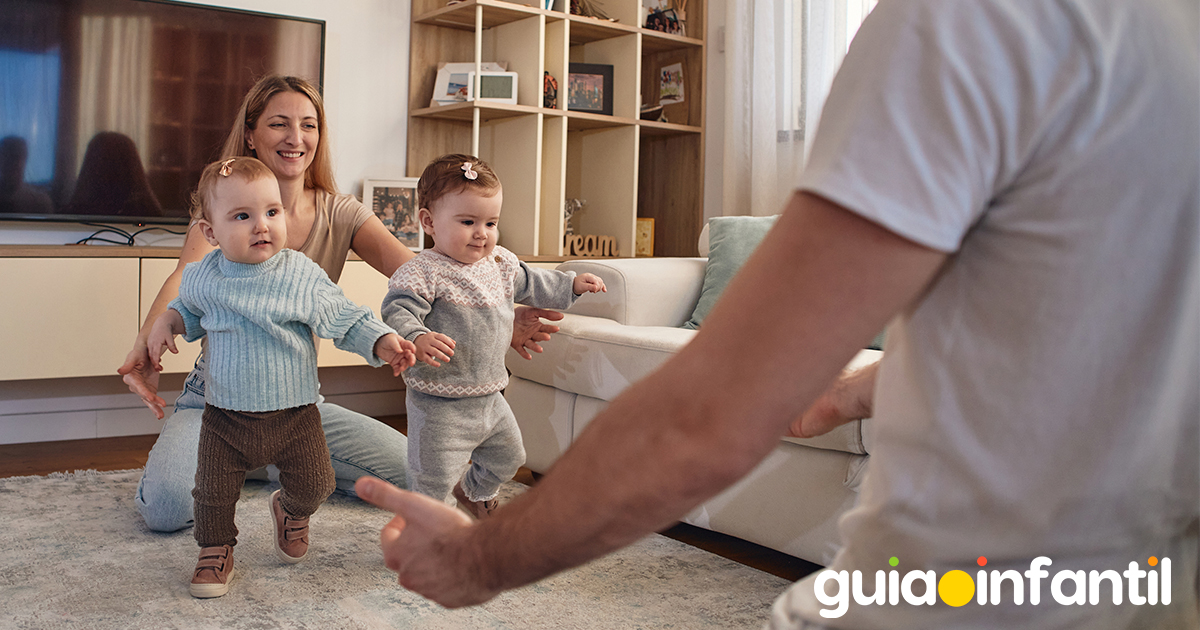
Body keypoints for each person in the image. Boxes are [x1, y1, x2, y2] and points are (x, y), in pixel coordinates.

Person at [355, 1, 1198, 628]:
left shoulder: (969, 22)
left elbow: (710, 414)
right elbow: (1071, 307)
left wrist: (480, 559)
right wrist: (861, 389)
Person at [118, 75, 563, 534]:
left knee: (419, 480)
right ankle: (239, 461)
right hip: (216, 403)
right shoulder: (223, 212)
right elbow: (181, 282)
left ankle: (267, 468)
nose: (296, 138)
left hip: (294, 404)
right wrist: (146, 345)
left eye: (308, 125)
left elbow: (427, 276)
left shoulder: (342, 212)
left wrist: (495, 310)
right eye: (279, 124)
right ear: (251, 134)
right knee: (167, 509)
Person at [146, 156, 416, 598]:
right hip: (224, 417)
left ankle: (289, 508)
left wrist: (381, 341)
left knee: (316, 484)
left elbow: (343, 316)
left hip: (296, 415)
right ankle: (216, 550)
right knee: (212, 496)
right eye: (242, 216)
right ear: (211, 233)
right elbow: (186, 310)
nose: (262, 226)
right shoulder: (204, 277)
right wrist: (166, 323)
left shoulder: (300, 274)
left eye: (272, 212)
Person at [380, 154, 606, 518]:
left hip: (490, 395)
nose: (481, 233)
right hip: (438, 403)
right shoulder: (423, 271)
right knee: (432, 481)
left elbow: (535, 283)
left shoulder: (500, 263)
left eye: (491, 222)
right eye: (468, 221)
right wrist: (417, 335)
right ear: (429, 222)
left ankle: (473, 491)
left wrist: (572, 285)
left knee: (510, 456)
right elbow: (398, 308)